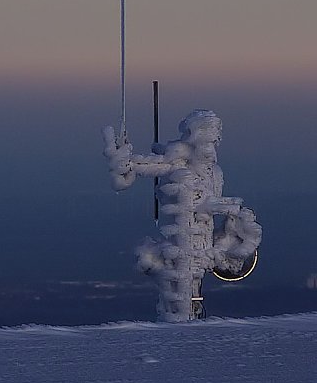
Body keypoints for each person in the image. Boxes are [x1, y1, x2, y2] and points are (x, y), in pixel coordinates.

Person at [102, 110, 262, 321]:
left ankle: (187, 325)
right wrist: (125, 163)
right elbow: (151, 165)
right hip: (181, 245)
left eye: (216, 134)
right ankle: (178, 329)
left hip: (203, 245)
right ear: (195, 134)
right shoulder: (178, 161)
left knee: (193, 293)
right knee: (178, 296)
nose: (213, 140)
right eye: (209, 133)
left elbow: (210, 205)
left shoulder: (215, 173)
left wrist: (231, 222)